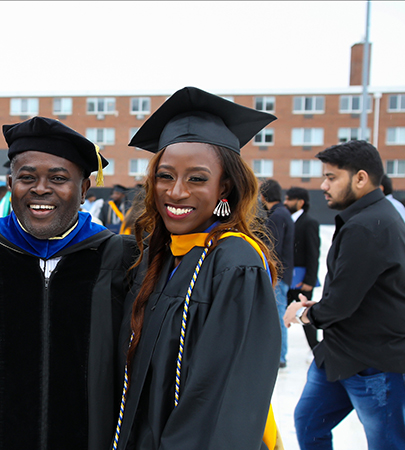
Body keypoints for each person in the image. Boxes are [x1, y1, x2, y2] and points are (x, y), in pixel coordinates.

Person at [0, 116, 138, 449]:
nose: (40, 188)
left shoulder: (117, 257)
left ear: (84, 189)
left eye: (58, 178)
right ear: (11, 185)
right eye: (27, 177)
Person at [115, 87, 281, 449]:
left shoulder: (235, 265)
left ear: (226, 186)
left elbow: (221, 400)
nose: (175, 192)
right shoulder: (159, 257)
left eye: (197, 178)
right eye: (165, 176)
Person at [285, 140, 405, 450]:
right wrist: (319, 306)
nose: (323, 185)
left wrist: (304, 313)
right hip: (342, 354)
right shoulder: (371, 217)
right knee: (309, 423)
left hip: (377, 362)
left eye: (332, 177)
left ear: (360, 178)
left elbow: (340, 304)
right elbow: (358, 290)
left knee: (386, 443)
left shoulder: (369, 224)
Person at [260, 179, 294, 368]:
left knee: (278, 315)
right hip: (283, 273)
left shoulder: (277, 216)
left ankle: (280, 356)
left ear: (264, 196)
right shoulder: (283, 213)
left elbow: (272, 247)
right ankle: (279, 355)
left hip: (279, 275)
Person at [284, 187, 321, 350]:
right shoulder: (287, 220)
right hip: (286, 277)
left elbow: (314, 253)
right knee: (282, 313)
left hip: (302, 278)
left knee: (306, 315)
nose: (285, 202)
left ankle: (316, 348)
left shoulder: (309, 222)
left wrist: (309, 280)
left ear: (300, 202)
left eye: (289, 199)